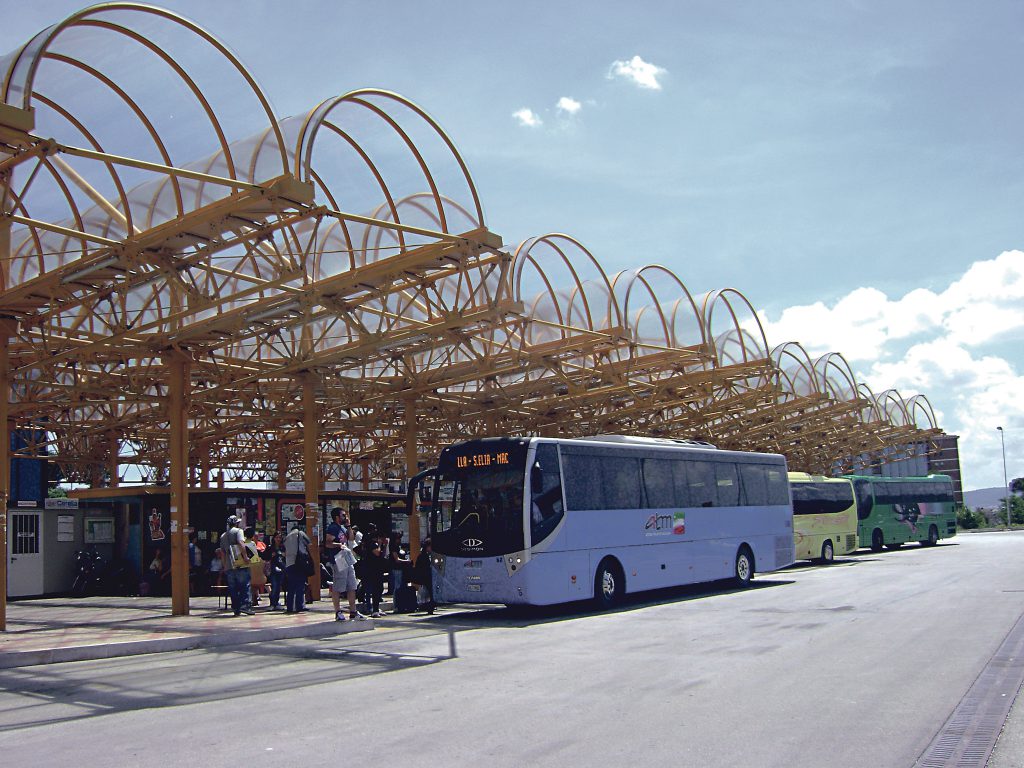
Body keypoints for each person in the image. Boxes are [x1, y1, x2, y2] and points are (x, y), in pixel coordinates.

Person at [219, 515, 254, 616]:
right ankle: (245, 606)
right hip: (240, 564)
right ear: (236, 523)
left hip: (229, 566)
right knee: (245, 585)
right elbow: (241, 543)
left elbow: (222, 552)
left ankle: (236, 608)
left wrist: (224, 565)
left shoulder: (223, 536)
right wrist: (246, 557)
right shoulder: (239, 531)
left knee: (233, 588)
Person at [332, 527, 366, 621]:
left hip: (347, 556)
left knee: (352, 585)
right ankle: (338, 611)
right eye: (342, 515)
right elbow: (327, 543)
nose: (345, 516)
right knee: (338, 586)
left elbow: (351, 539)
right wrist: (338, 545)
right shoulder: (332, 528)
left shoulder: (344, 528)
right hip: (339, 558)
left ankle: (353, 611)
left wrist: (349, 525)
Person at [284, 524, 312, 613]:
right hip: (299, 562)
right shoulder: (300, 533)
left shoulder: (287, 537)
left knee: (291, 586)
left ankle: (290, 607)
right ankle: (299, 606)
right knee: (300, 585)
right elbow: (309, 544)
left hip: (289, 564)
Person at [359, 540, 387, 618]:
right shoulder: (371, 544)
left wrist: (384, 546)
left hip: (378, 570)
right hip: (371, 571)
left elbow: (382, 554)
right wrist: (380, 544)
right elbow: (377, 553)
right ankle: (373, 610)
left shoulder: (377, 545)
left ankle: (376, 608)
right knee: (373, 590)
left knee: (379, 589)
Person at [411, 537, 435, 614]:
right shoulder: (423, 556)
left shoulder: (427, 555)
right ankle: (430, 606)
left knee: (430, 592)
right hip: (426, 577)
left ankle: (430, 606)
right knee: (431, 592)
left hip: (427, 577)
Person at [245, 527, 266, 607]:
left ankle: (253, 600)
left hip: (246, 564)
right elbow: (255, 556)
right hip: (254, 564)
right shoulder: (252, 544)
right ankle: (253, 600)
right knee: (253, 584)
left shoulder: (243, 543)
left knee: (251, 584)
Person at [265, 531, 286, 611]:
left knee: (278, 587)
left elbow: (284, 557)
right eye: (277, 537)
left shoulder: (282, 547)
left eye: (280, 537)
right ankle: (272, 603)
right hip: (273, 569)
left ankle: (276, 602)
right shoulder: (270, 547)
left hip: (281, 568)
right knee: (274, 586)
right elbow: (265, 557)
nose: (278, 539)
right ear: (274, 538)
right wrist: (271, 555)